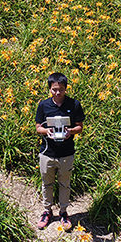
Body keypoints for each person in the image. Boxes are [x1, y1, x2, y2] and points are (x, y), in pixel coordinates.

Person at [34, 72, 85, 231]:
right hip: (47, 152)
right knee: (47, 184)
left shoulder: (74, 104)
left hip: (66, 153)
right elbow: (37, 128)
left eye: (61, 89)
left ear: (66, 89)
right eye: (54, 89)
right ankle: (47, 212)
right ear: (50, 89)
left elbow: (80, 127)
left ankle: (63, 212)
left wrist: (71, 131)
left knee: (65, 184)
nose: (57, 93)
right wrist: (46, 132)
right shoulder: (43, 105)